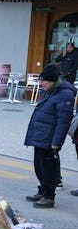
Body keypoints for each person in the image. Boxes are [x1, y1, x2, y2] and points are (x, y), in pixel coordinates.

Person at [23, 65, 77, 208]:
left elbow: (64, 121)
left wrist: (56, 142)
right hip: (40, 135)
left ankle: (49, 196)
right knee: (39, 166)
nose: (42, 84)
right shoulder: (50, 91)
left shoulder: (65, 94)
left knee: (49, 168)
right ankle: (42, 191)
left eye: (45, 81)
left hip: (50, 138)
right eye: (42, 81)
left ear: (54, 80)